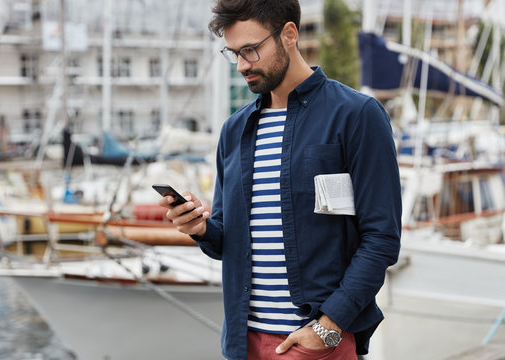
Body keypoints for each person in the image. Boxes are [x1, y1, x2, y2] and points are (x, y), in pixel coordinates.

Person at [158, 0, 402, 359]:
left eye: (251, 50)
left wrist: (328, 327)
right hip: (243, 344)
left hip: (318, 343)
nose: (242, 65)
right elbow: (228, 239)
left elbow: (381, 238)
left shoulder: (356, 115)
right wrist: (199, 227)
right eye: (233, 53)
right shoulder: (234, 130)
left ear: (289, 34)